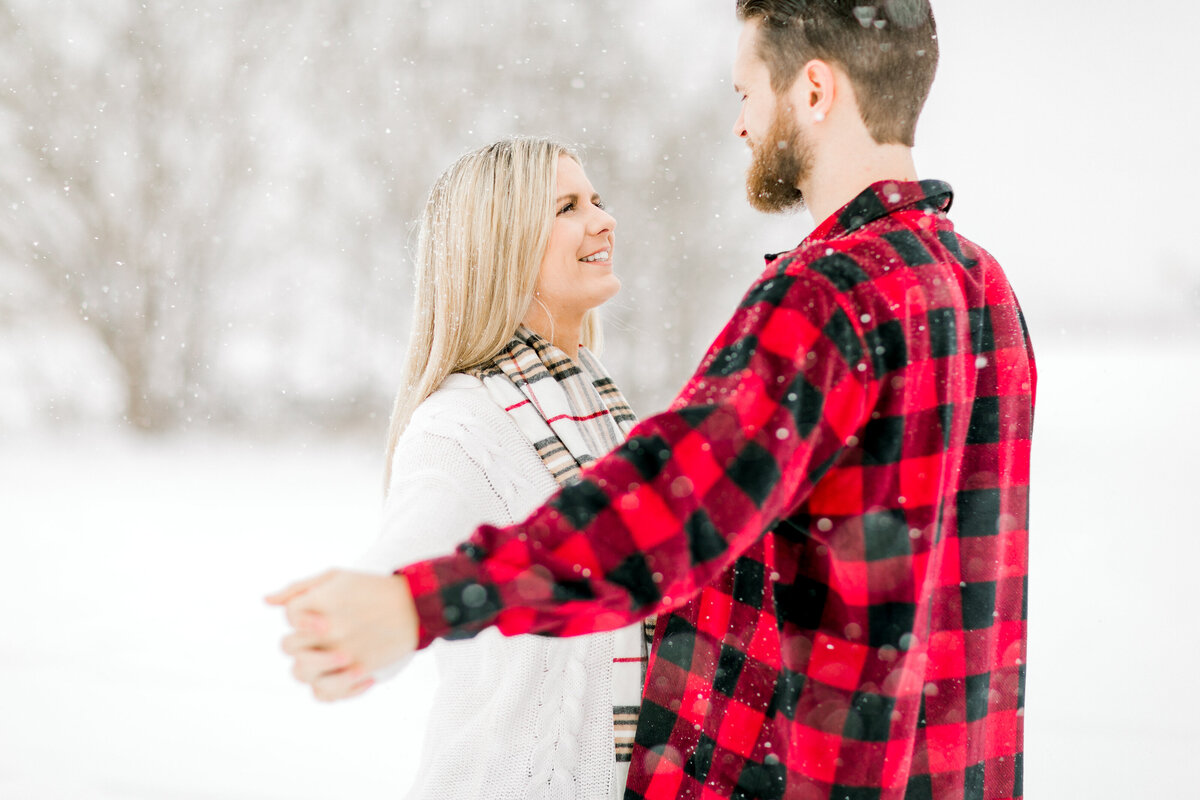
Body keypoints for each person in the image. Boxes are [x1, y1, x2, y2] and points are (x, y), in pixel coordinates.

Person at [269, 3, 1036, 799]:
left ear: (813, 90)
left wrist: (422, 602)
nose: (741, 124)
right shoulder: (983, 292)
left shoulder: (824, 298)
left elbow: (670, 508)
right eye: (565, 206)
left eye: (747, 92)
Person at [317, 137, 649, 799]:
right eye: (567, 206)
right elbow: (394, 579)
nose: (603, 219)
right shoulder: (463, 425)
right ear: (503, 245)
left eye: (598, 200)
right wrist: (355, 627)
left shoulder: (598, 403)